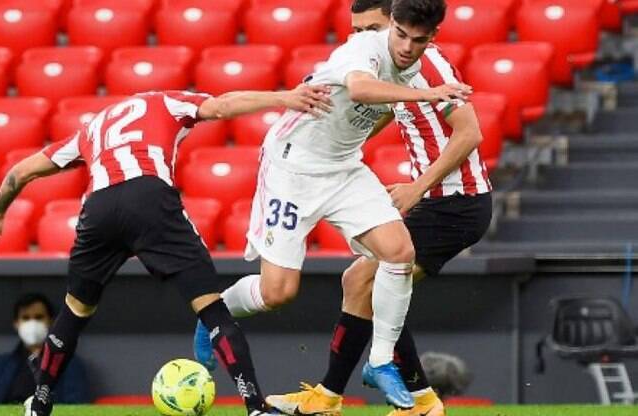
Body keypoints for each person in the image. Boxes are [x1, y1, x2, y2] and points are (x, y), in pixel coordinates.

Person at [0, 85, 334, 416]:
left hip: (99, 209)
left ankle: (40, 404)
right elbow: (221, 107)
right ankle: (255, 406)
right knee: (210, 306)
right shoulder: (164, 101)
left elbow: (21, 172)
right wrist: (283, 97)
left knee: (74, 312)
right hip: (149, 195)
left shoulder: (92, 130)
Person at [192, 0, 473, 411]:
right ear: (390, 24)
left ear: (432, 37)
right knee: (278, 291)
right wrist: (429, 93)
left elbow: (379, 108)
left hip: (342, 167)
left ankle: (379, 362)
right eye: (400, 34)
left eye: (418, 39)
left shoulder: (409, 61)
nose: (407, 47)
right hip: (293, 166)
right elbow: (360, 89)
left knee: (399, 252)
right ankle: (213, 314)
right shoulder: (362, 49)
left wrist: (369, 126)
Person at [265, 1, 493, 415]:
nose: (360, 38)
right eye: (354, 30)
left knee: (372, 282)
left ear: (394, 22)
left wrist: (417, 188)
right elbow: (390, 107)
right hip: (441, 201)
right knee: (365, 284)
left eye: (368, 27)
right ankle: (350, 397)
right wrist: (344, 146)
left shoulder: (430, 66)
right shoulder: (385, 62)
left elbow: (469, 132)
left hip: (457, 202)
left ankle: (404, 401)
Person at [0, 293, 89, 405]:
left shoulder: (69, 363)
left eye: (39, 317)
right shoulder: (1, 364)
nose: (32, 323)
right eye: (26, 318)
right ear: (16, 323)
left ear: (51, 321)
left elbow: (77, 404)